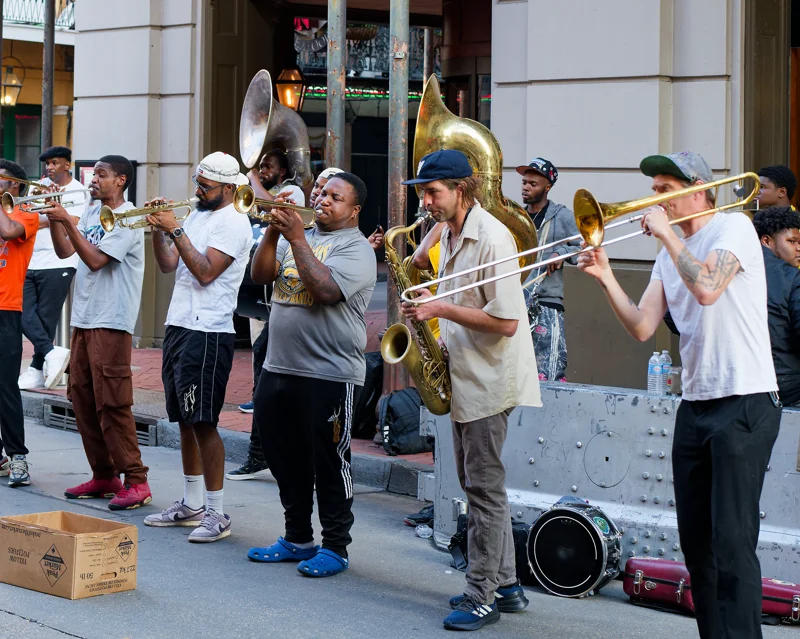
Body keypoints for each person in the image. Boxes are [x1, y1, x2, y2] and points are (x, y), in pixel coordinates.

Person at [577, 151, 780, 639]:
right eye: (654, 190)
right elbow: (643, 326)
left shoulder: (733, 228)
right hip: (697, 405)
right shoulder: (667, 256)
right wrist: (605, 275)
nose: (655, 199)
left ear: (698, 189)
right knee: (697, 545)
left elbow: (709, 287)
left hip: (745, 399)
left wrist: (668, 234)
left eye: (665, 189)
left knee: (732, 544)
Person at [400, 150, 541, 631]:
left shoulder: (493, 238)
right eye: (423, 192)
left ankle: (482, 595)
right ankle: (507, 583)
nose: (426, 201)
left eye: (433, 192)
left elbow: (504, 322)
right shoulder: (451, 229)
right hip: (466, 372)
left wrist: (438, 310)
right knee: (478, 484)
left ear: (462, 189)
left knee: (483, 489)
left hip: (488, 378)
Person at [247, 172, 376, 578]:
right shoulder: (292, 237)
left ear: (354, 211)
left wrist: (297, 238)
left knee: (330, 462)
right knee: (285, 457)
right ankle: (297, 537)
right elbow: (261, 277)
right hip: (279, 366)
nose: (322, 200)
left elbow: (325, 291)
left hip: (330, 373)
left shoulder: (356, 249)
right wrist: (272, 232)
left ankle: (336, 547)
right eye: (321, 193)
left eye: (335, 198)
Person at [143, 152, 252, 542]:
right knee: (184, 419)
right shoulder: (197, 216)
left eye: (205, 187)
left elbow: (206, 272)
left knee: (204, 421)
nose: (198, 192)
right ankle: (190, 503)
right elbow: (169, 265)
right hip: (179, 325)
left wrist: (174, 229)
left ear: (228, 187)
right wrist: (159, 229)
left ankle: (216, 511)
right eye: (197, 184)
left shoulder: (235, 222)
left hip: (209, 331)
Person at [45, 155, 153, 510]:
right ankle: (104, 473)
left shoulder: (129, 217)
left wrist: (67, 223)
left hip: (111, 319)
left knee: (112, 400)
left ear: (121, 180)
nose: (94, 180)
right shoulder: (92, 212)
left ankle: (136, 479)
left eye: (102, 175)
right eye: (94, 175)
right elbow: (66, 250)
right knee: (81, 397)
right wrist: (55, 218)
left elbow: (95, 259)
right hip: (85, 317)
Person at [18, 146, 88, 390]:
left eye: (55, 163)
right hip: (30, 259)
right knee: (22, 312)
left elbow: (75, 222)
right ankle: (50, 352)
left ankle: (36, 369)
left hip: (60, 261)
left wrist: (46, 215)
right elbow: (24, 215)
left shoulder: (78, 191)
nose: (50, 168)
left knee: (46, 318)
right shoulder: (38, 186)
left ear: (68, 164)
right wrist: (50, 214)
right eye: (47, 163)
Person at [515, 158, 580, 381]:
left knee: (550, 370)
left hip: (547, 303)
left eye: (533, 184)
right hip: (515, 302)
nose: (525, 187)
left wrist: (561, 253)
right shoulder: (516, 217)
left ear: (548, 187)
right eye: (524, 182)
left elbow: (587, 248)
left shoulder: (562, 216)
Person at [0, 160, 39, 487]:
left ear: (13, 185)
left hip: (6, 310)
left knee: (6, 388)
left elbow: (8, 232)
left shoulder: (26, 214)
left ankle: (18, 458)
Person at [752, 206, 800, 406]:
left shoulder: (727, 267)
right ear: (766, 241)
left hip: (735, 383)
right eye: (792, 241)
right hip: (785, 384)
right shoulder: (791, 276)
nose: (798, 248)